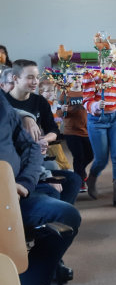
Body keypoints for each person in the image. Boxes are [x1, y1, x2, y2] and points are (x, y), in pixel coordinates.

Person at [0, 90, 81, 285]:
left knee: (67, 213)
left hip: (18, 191)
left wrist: (25, 184)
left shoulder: (3, 105)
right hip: (5, 194)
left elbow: (31, 148)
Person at [6, 60, 81, 205]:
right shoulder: (5, 103)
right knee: (52, 190)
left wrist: (44, 140)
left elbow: (53, 130)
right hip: (17, 164)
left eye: (37, 77)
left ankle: (56, 214)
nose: (35, 82)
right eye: (30, 77)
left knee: (74, 180)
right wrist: (27, 118)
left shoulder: (40, 101)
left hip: (36, 159)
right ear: (15, 78)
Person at [83, 57, 116, 207]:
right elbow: (86, 100)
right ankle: (92, 178)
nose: (110, 57)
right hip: (97, 121)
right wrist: (96, 105)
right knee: (101, 159)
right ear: (100, 55)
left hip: (115, 118)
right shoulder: (91, 74)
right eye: (106, 53)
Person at [61, 70, 93, 193]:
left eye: (79, 77)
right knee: (78, 157)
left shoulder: (87, 92)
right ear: (68, 79)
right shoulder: (65, 94)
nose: (77, 79)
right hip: (71, 132)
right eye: (73, 77)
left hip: (86, 131)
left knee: (90, 155)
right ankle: (80, 181)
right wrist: (63, 110)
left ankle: (79, 172)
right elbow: (59, 113)